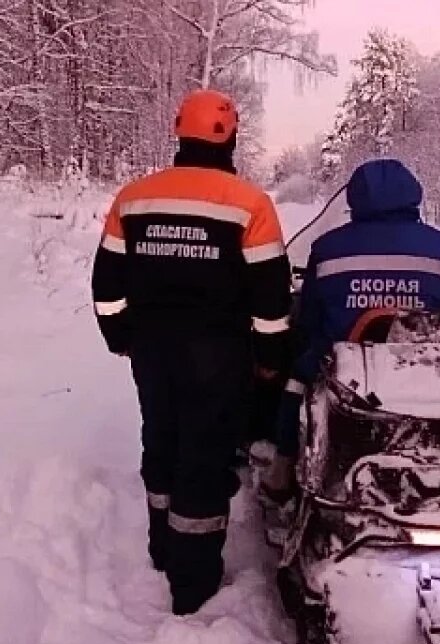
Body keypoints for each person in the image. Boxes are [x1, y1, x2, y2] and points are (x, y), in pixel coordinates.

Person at [91, 89, 292, 615]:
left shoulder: (134, 198)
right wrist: (270, 359)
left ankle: (162, 548)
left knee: (161, 437)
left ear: (180, 132)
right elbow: (273, 300)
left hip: (152, 351)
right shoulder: (251, 205)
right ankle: (193, 580)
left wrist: (121, 337)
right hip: (221, 355)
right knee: (204, 455)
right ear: (231, 136)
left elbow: (106, 283)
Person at [262, 158, 440, 501]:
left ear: (355, 199)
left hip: (350, 373)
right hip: (429, 370)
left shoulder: (329, 248)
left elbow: (310, 319)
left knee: (296, 379)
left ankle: (282, 470)